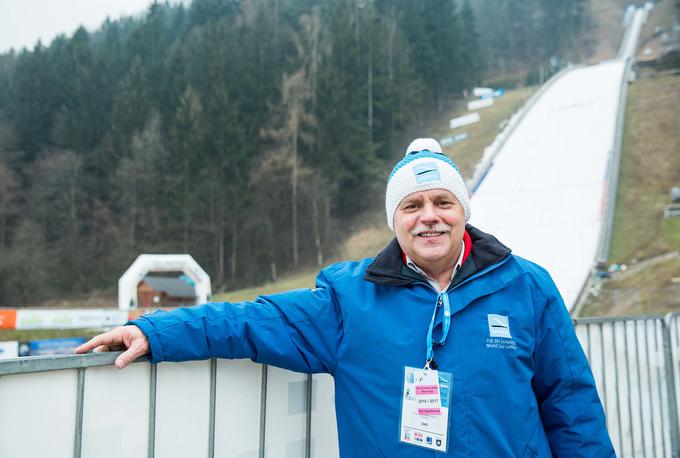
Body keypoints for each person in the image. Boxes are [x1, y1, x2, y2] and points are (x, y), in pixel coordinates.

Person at [76, 138, 615, 457]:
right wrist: (155, 331)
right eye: (412, 205)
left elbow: (570, 403)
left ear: (463, 211)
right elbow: (252, 321)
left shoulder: (526, 287)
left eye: (442, 201)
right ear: (395, 221)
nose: (429, 215)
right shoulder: (349, 300)